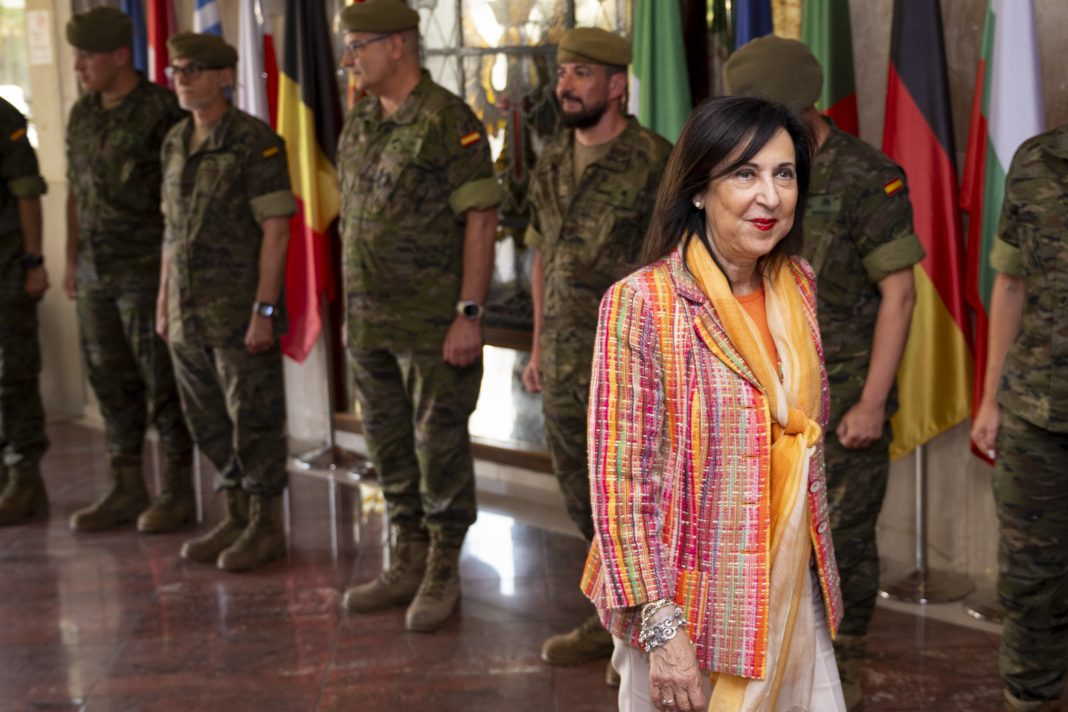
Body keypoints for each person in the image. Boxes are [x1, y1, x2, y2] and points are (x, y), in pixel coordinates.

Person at [581, 96, 845, 712]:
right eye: (745, 174)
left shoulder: (798, 284)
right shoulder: (643, 302)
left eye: (784, 174)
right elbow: (620, 482)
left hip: (788, 583)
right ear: (699, 189)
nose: (770, 197)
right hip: (685, 605)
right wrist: (661, 625)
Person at [724, 36, 925, 709]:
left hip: (841, 402)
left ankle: (847, 656)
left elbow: (900, 295)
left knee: (841, 541)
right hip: (762, 396)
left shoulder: (867, 175)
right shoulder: (740, 171)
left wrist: (871, 402)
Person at [336, 0, 501, 632]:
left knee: (439, 448)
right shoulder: (360, 120)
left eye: (358, 46)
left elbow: (481, 220)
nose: (350, 59)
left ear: (397, 46)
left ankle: (442, 566)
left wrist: (469, 313)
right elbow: (355, 223)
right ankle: (405, 554)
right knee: (387, 444)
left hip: (433, 324)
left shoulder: (446, 120)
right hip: (370, 321)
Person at [520, 27, 672, 682]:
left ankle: (654, 633)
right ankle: (615, 622)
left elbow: (675, 270)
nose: (566, 85)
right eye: (562, 73)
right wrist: (536, 346)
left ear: (616, 84)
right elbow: (542, 257)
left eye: (581, 73)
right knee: (583, 500)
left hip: (630, 366)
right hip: (562, 360)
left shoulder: (656, 161)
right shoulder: (553, 159)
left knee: (638, 504)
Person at [155, 32, 296, 572]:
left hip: (238, 312)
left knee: (254, 418)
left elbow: (276, 230)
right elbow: (171, 232)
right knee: (206, 419)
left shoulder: (254, 142)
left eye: (194, 69)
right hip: (186, 312)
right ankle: (235, 514)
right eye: (177, 70)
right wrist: (163, 302)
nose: (183, 80)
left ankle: (265, 524)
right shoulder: (174, 141)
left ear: (224, 77)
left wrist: (264, 309)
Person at [63, 7, 194, 534]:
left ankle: (178, 490)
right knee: (109, 381)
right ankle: (126, 485)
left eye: (88, 56)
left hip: (145, 272)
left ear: (121, 55)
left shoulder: (162, 111)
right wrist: (70, 259)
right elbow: (75, 190)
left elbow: (179, 203)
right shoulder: (83, 112)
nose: (79, 66)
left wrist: (172, 276)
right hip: (95, 272)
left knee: (162, 382)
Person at [971, 122, 1068, 712]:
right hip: (1035, 413)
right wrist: (990, 399)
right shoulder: (1036, 161)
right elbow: (1009, 285)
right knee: (1030, 580)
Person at [0, 95, 49, 526]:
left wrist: (34, 261)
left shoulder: (3, 117)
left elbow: (28, 194)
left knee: (13, 376)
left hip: (7, 268)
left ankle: (25, 477)